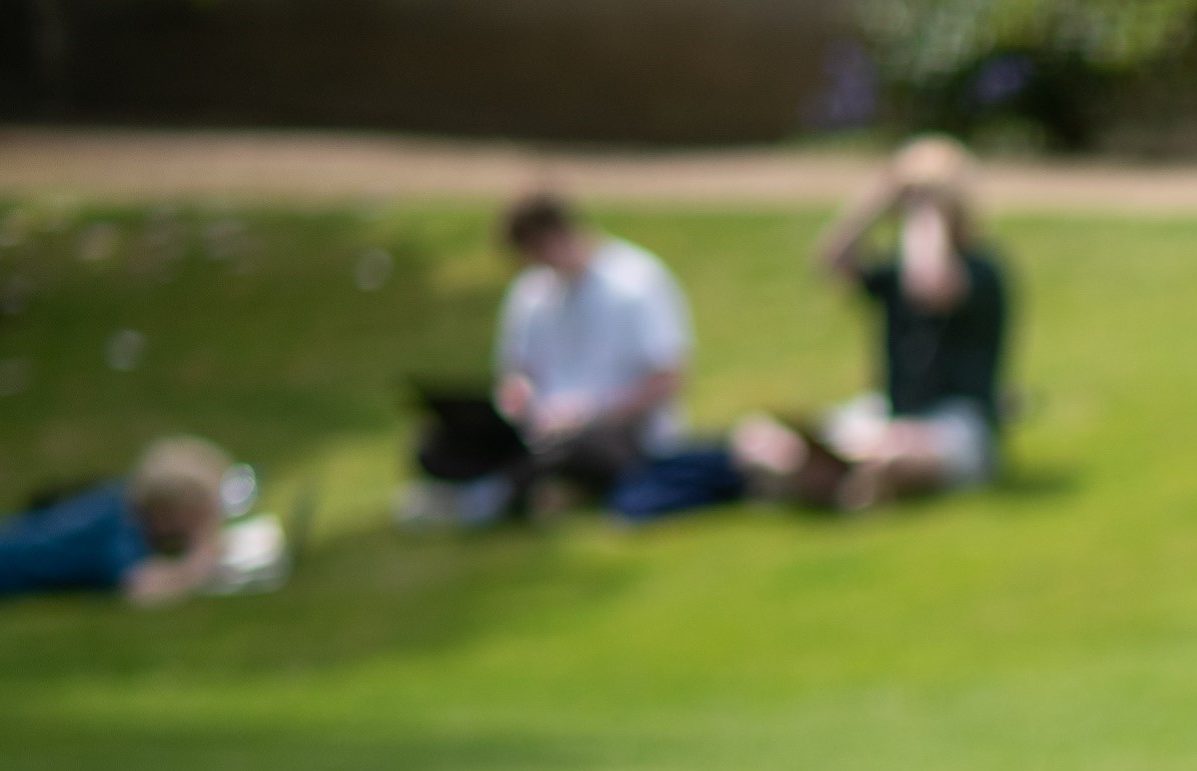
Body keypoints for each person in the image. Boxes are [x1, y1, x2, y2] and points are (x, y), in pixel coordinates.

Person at [735, 139, 1012, 512]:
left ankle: (831, 483)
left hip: (958, 427)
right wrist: (882, 196)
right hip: (890, 415)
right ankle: (843, 482)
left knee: (893, 455)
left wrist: (928, 209)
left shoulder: (982, 270)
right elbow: (833, 262)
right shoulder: (895, 272)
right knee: (757, 437)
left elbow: (927, 285)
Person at [409, 193, 694, 518]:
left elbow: (668, 380)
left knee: (569, 449)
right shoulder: (531, 291)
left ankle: (497, 494)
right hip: (541, 430)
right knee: (433, 441)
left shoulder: (636, 281)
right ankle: (526, 489)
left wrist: (592, 413)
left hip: (616, 434)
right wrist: (518, 399)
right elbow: (518, 373)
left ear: (559, 234)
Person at [0, 436, 232, 610]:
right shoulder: (119, 530)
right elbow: (139, 589)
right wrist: (198, 563)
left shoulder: (116, 503)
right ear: (173, 510)